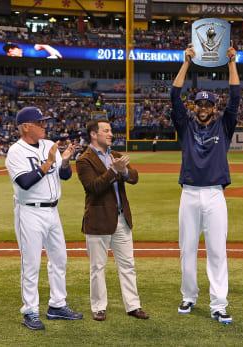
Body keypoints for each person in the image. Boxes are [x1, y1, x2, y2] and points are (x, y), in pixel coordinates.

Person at [170, 42, 240, 324]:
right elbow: (173, 95)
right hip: (189, 194)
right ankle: (189, 295)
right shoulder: (185, 125)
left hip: (213, 195)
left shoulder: (223, 125)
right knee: (187, 249)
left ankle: (219, 303)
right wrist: (186, 62)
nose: (202, 108)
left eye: (207, 104)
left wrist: (232, 63)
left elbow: (235, 97)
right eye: (199, 104)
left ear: (213, 108)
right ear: (194, 107)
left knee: (216, 250)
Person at [5, 106, 83, 331]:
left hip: (52, 211)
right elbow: (24, 182)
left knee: (59, 259)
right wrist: (48, 162)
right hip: (29, 212)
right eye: (39, 123)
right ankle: (30, 310)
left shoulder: (50, 145)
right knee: (31, 264)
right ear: (26, 127)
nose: (44, 125)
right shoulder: (16, 151)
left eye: (44, 122)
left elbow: (65, 176)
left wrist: (65, 161)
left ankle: (57, 305)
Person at [76, 118, 149, 322]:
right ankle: (99, 307)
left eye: (110, 130)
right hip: (98, 220)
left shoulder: (115, 156)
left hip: (121, 219)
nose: (110, 134)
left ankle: (133, 305)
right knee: (97, 267)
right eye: (106, 131)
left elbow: (134, 177)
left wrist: (123, 170)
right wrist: (114, 170)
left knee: (128, 264)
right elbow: (94, 187)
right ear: (93, 134)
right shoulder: (84, 160)